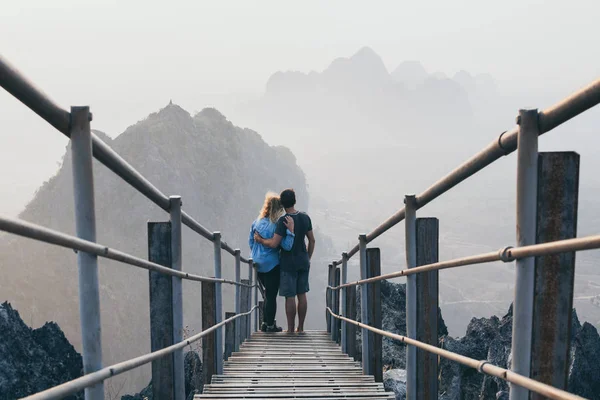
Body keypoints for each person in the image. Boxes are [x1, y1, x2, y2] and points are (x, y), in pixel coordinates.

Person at [254, 188, 315, 333]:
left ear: (282, 203)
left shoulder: (283, 221)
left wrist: (261, 240)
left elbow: (274, 243)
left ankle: (289, 330)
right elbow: (312, 240)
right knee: (302, 294)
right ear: (295, 200)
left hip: (288, 264)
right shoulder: (305, 217)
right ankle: (300, 328)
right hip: (303, 261)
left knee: (290, 296)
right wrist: (308, 257)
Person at [248, 192, 295, 333]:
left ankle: (264, 322)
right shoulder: (276, 225)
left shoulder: (256, 222)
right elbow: (286, 245)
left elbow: (250, 241)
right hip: (271, 264)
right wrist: (291, 232)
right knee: (271, 295)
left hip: (257, 263)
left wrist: (257, 253)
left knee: (266, 293)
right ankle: (270, 325)